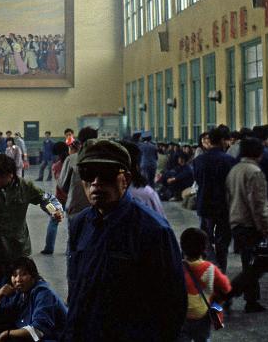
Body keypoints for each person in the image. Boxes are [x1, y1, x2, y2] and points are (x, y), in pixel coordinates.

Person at [63, 139, 186, 341]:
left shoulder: (153, 231)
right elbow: (77, 289)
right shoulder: (80, 224)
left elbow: (172, 307)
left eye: (106, 175)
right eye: (88, 174)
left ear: (126, 179)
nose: (96, 182)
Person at [0, 154, 62, 284]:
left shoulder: (25, 187)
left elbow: (43, 199)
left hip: (18, 247)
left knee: (19, 284)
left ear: (10, 175)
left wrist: (54, 210)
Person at [225, 137, 268, 313]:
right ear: (258, 152)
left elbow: (229, 197)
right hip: (250, 224)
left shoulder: (235, 170)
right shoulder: (255, 172)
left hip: (237, 221)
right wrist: (266, 227)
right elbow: (258, 205)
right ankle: (228, 295)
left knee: (250, 264)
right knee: (254, 267)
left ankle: (250, 300)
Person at [191, 127, 236, 272]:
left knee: (206, 237)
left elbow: (197, 180)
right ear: (222, 141)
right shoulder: (229, 160)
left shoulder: (198, 160)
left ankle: (211, 264)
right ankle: (221, 267)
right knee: (223, 240)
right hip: (224, 205)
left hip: (204, 202)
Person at [0, 257, 67, 342]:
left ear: (33, 276)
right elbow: (0, 311)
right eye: (14, 275)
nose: (18, 280)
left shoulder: (43, 294)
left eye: (23, 274)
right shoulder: (20, 292)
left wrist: (6, 334)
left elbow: (38, 330)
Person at [179, 228, 231, 342]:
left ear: (182, 248)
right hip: (202, 315)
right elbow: (226, 288)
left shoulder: (177, 268)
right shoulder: (210, 268)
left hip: (182, 315)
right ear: (204, 248)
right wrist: (216, 300)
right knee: (203, 338)